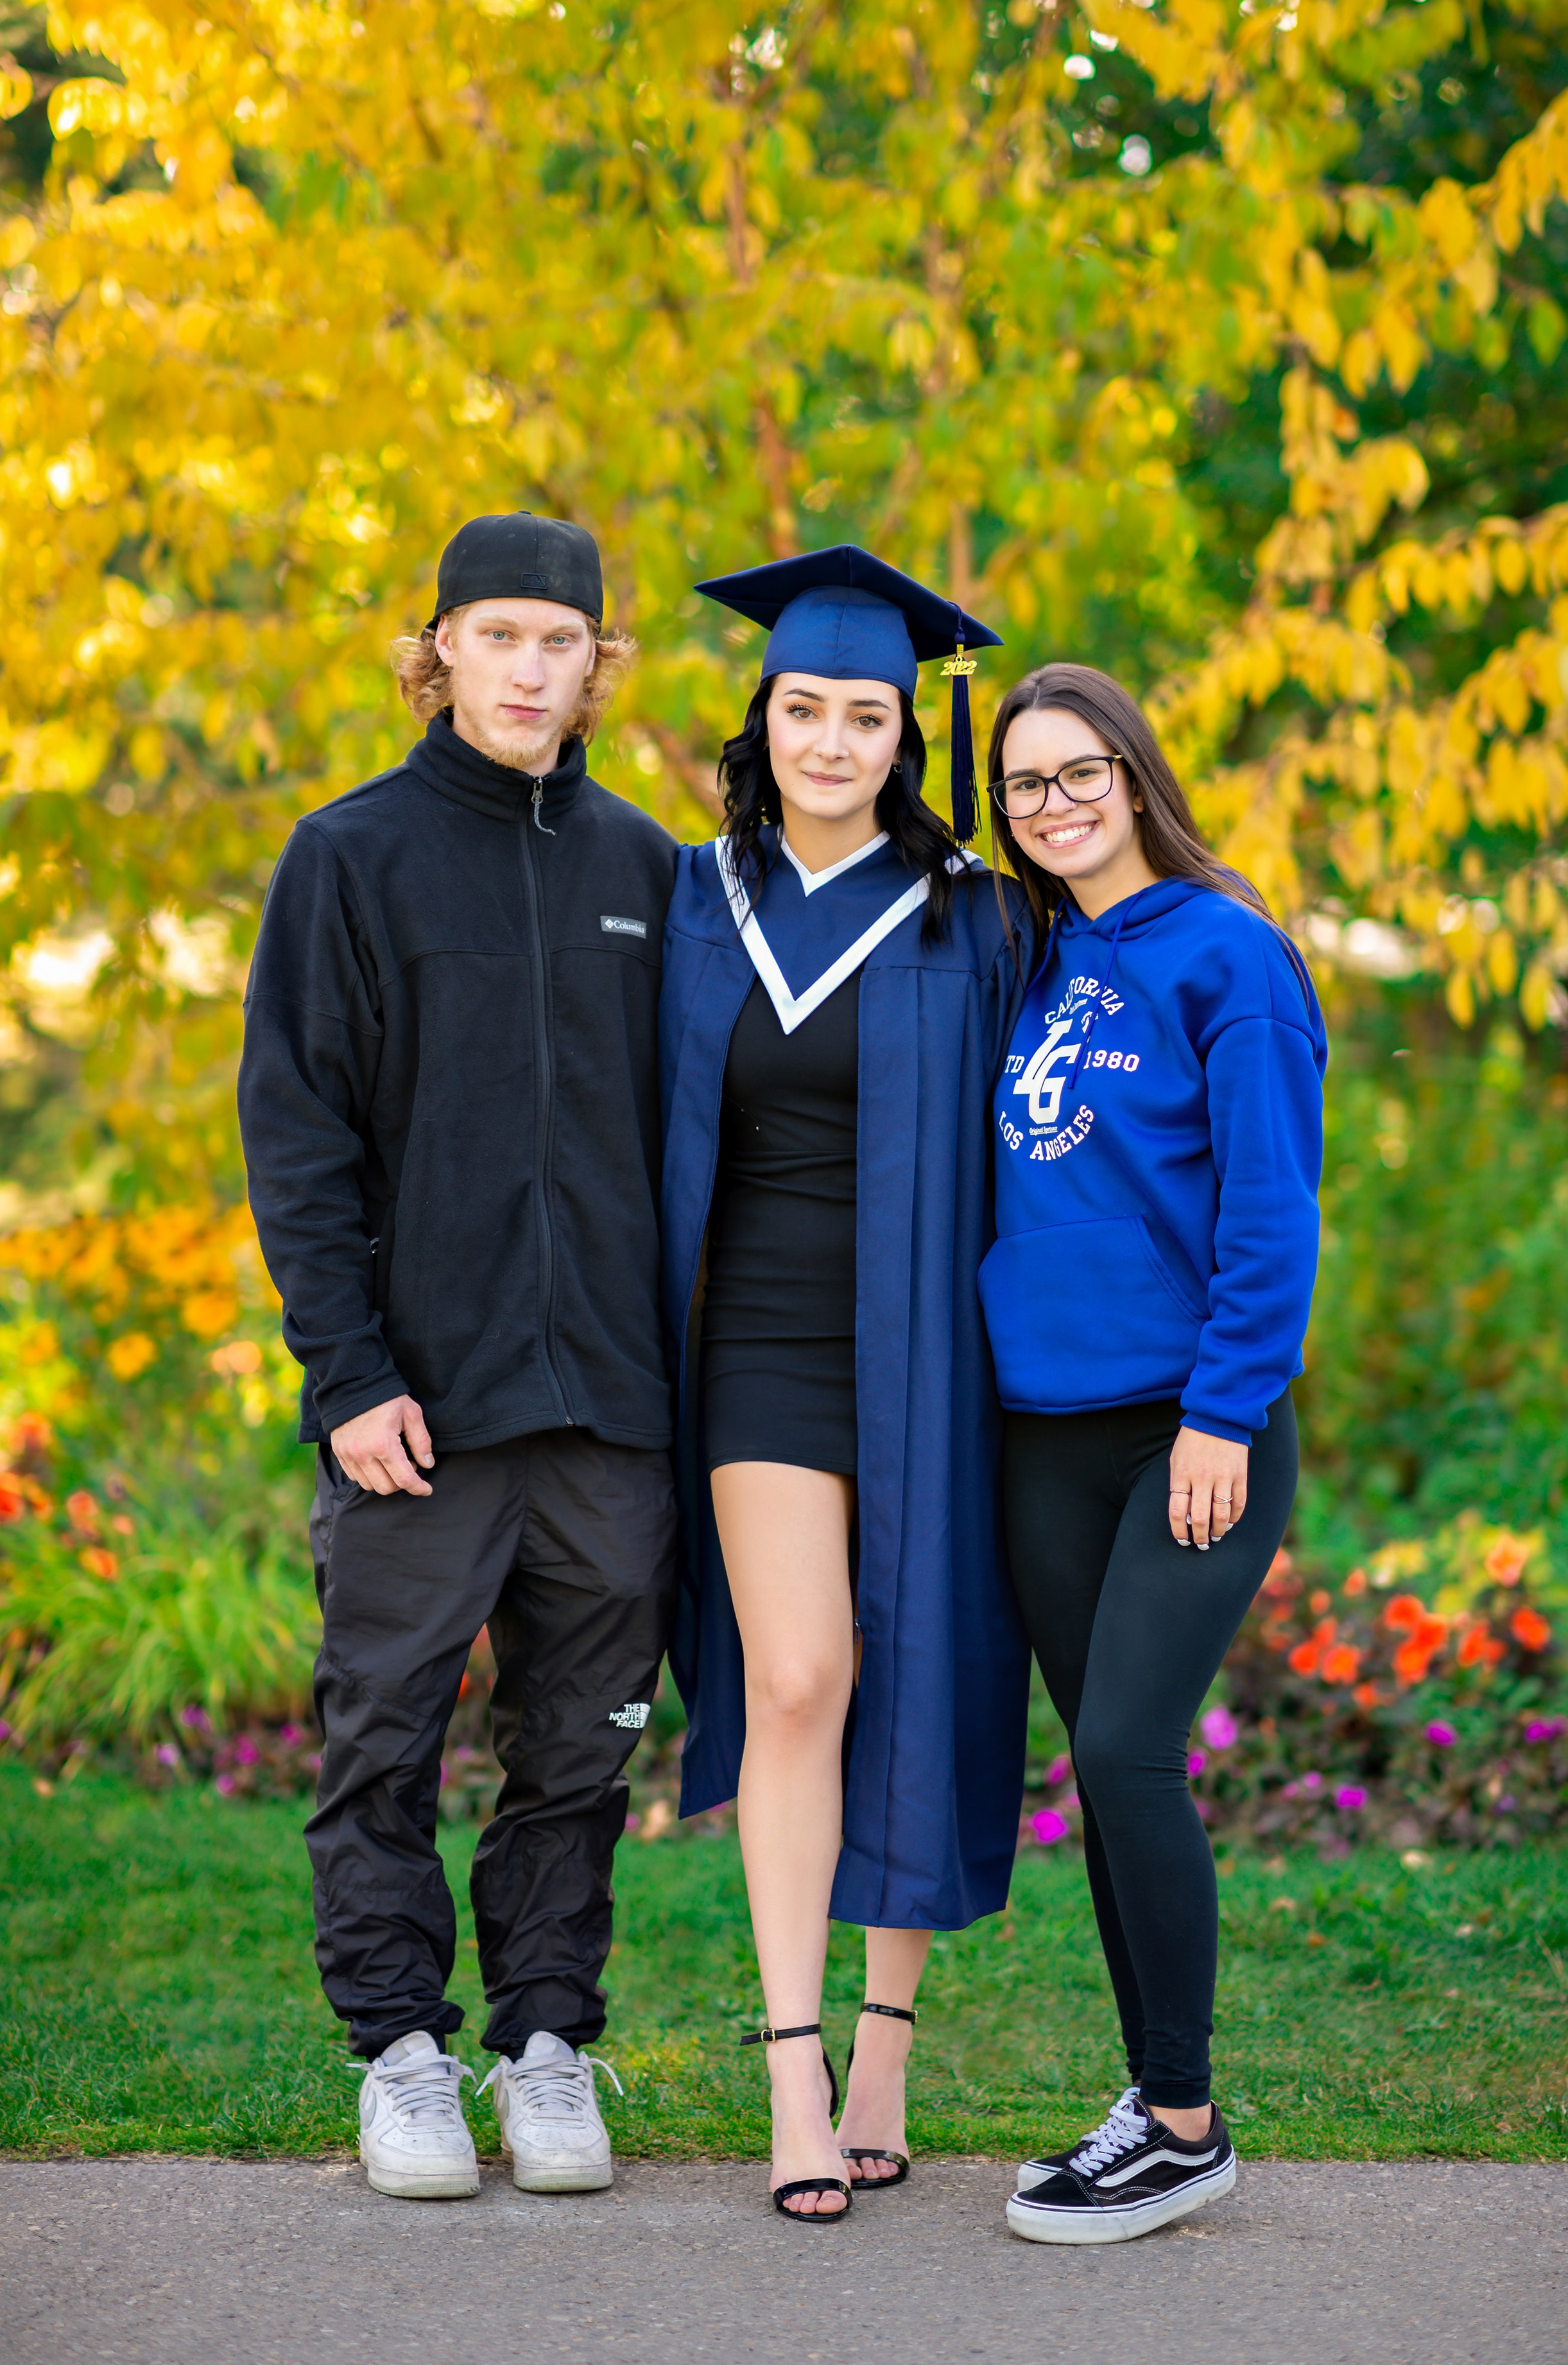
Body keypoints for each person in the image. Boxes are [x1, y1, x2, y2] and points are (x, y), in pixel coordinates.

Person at [239, 512, 678, 2202]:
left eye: (557, 640)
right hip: (416, 1411)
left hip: (610, 1410)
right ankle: (400, 2051)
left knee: (583, 1747)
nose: (525, 667)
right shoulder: (350, 855)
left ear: (593, 665)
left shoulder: (648, 872)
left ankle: (546, 2040)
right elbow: (299, 1132)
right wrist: (346, 1372)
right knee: (386, 1742)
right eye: (494, 634)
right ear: (439, 652)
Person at [660, 547, 1030, 2221]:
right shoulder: (686, 898)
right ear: (765, 718)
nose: (830, 737)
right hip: (759, 1347)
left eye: (865, 713)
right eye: (802, 707)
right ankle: (793, 2068)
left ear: (904, 731)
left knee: (915, 1667)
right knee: (801, 1673)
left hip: (932, 1352)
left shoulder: (979, 912)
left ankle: (887, 2041)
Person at [978, 662, 1326, 2247]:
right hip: (1043, 1431)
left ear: (1131, 772)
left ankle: (1183, 2127)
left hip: (1187, 1426)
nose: (1050, 806)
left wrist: (1222, 1408)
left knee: (1125, 1750)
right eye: (1023, 786)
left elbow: (1269, 1207)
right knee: (1104, 1780)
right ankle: (1152, 2099)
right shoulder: (1029, 961)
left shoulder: (1224, 954)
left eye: (1075, 773)